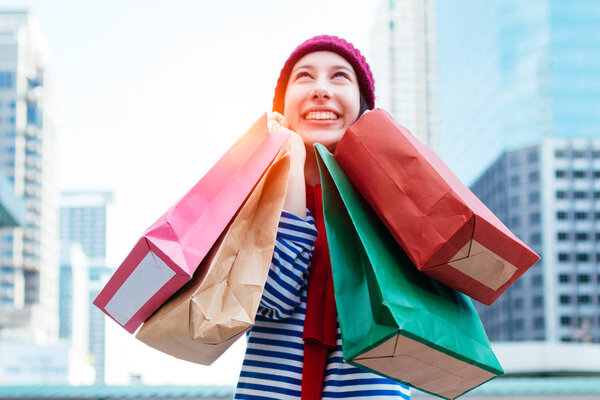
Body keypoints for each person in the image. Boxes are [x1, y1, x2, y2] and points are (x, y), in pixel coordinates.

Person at [234, 35, 411, 400]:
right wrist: (292, 161)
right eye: (304, 77)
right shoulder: (252, 201)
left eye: (339, 77)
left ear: (364, 109)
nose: (320, 90)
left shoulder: (394, 202)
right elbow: (274, 298)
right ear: (281, 107)